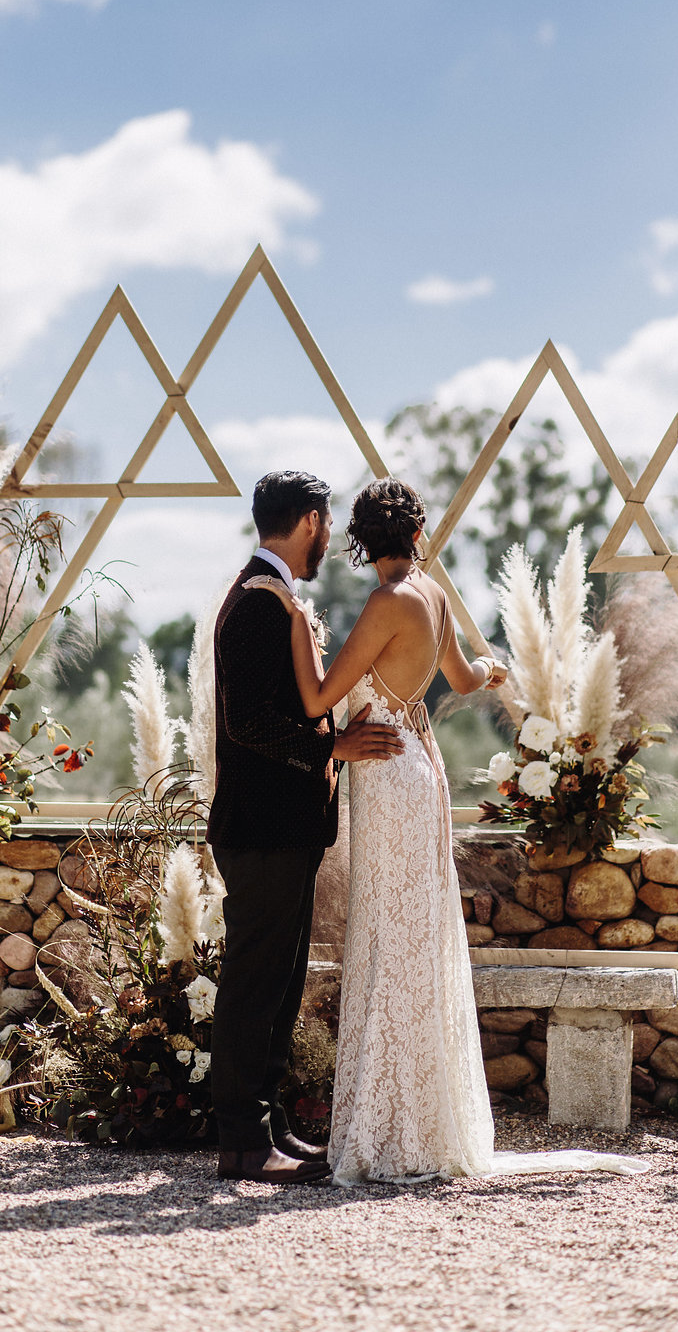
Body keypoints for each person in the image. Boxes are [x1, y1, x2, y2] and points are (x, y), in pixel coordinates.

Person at [247, 476, 649, 1185]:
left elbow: (316, 696)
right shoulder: (432, 597)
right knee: (418, 937)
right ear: (419, 535)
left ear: (362, 542)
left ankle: (393, 1125)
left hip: (384, 774)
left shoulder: (385, 603)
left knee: (389, 936)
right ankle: (426, 1118)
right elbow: (464, 680)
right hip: (419, 771)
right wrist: (495, 668)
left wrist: (295, 625)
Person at [208, 470, 405, 1185]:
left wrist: (330, 731)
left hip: (282, 830)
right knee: (254, 985)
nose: (329, 541)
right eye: (326, 526)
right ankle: (239, 1142)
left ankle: (270, 1131)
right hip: (259, 830)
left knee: (281, 986)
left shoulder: (269, 596)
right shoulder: (257, 604)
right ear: (312, 522)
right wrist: (332, 747)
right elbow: (249, 723)